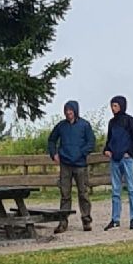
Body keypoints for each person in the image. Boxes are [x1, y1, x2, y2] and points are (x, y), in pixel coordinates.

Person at [46, 98, 97, 234]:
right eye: (66, 111)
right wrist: (54, 154)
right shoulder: (61, 126)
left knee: (83, 193)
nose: (68, 113)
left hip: (80, 165)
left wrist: (81, 153)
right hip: (65, 164)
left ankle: (86, 220)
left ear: (75, 111)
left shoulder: (85, 125)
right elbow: (51, 140)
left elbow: (91, 142)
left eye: (70, 110)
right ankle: (63, 222)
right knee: (65, 194)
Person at [104, 94, 133, 231]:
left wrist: (129, 152)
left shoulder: (129, 120)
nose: (113, 108)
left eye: (115, 106)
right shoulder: (111, 122)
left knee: (131, 189)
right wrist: (107, 150)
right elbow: (109, 140)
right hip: (114, 159)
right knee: (115, 190)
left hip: (126, 159)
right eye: (112, 106)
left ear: (121, 106)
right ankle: (115, 219)